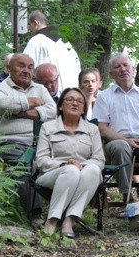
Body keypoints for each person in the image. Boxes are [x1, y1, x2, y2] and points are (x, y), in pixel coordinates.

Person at [0, 53, 57, 218]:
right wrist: (32, 102)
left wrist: (22, 113)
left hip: (42, 143)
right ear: (9, 68)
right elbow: (2, 104)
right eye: (21, 66)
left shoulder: (40, 88)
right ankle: (35, 214)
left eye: (30, 67)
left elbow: (54, 111)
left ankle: (63, 213)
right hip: (9, 142)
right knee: (27, 163)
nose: (26, 70)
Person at [35, 87, 105, 238]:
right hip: (52, 174)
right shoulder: (48, 127)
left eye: (80, 101)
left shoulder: (92, 129)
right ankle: (52, 220)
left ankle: (69, 220)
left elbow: (99, 159)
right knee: (71, 171)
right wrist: (64, 165)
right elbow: (41, 160)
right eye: (70, 100)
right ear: (60, 105)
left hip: (85, 173)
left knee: (93, 169)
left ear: (83, 109)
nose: (75, 103)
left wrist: (82, 165)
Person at [93, 53, 139, 208]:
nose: (123, 69)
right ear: (111, 74)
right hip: (116, 142)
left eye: (125, 65)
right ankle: (127, 195)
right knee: (121, 147)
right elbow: (102, 128)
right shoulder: (104, 96)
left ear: (133, 69)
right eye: (117, 67)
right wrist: (126, 140)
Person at [23, 10, 81, 89]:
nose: (29, 28)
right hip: (70, 93)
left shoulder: (35, 42)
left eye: (29, 24)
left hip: (48, 92)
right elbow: (77, 68)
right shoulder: (66, 43)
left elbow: (25, 67)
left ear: (36, 23)